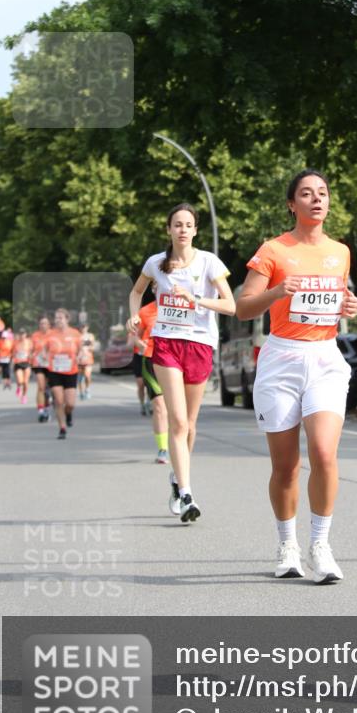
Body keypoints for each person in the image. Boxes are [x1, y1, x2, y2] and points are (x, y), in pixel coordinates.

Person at [236, 170, 357, 584]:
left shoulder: (340, 252)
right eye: (306, 194)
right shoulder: (273, 250)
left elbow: (337, 298)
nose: (316, 199)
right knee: (286, 465)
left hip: (324, 358)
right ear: (292, 204)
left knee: (324, 454)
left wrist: (349, 306)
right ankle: (287, 544)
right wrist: (277, 292)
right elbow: (243, 307)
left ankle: (321, 545)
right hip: (282, 359)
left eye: (322, 193)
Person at [127, 203, 235, 522]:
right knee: (177, 421)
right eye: (177, 224)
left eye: (188, 224)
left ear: (195, 230)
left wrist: (196, 300)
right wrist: (134, 314)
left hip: (200, 343)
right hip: (166, 343)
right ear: (168, 230)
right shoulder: (156, 264)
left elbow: (230, 305)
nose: (183, 229)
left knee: (190, 424)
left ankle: (176, 477)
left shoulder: (209, 262)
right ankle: (187, 495)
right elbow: (136, 292)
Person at [137, 288, 169, 465]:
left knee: (176, 409)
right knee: (159, 406)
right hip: (151, 358)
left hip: (175, 360)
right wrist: (138, 342)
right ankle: (163, 449)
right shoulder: (145, 311)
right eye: (157, 285)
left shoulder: (183, 306)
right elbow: (134, 336)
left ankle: (179, 444)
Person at [45, 308, 82, 440]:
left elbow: (81, 350)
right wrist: (45, 358)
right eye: (56, 318)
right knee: (59, 401)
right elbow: (45, 350)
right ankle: (62, 428)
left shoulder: (75, 334)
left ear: (67, 319)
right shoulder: (50, 334)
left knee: (70, 403)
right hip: (55, 371)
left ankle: (69, 414)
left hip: (71, 371)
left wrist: (80, 357)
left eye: (60, 317)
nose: (58, 320)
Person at [30, 315, 52, 422]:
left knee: (48, 389)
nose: (43, 325)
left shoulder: (53, 335)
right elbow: (30, 349)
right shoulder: (35, 336)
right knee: (41, 387)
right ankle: (41, 411)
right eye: (41, 323)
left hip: (51, 365)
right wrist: (31, 355)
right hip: (38, 364)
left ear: (49, 325)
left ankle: (47, 408)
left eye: (45, 323)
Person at [12, 329, 32, 403]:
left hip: (27, 363)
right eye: (20, 334)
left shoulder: (29, 342)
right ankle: (18, 386)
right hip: (18, 363)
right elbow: (13, 353)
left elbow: (32, 351)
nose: (22, 335)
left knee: (26, 382)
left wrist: (31, 355)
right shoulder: (16, 343)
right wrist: (13, 360)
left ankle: (24, 396)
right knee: (20, 381)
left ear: (26, 334)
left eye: (23, 334)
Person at [77, 323, 96, 400]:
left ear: (87, 327)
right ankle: (81, 392)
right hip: (79, 360)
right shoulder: (77, 336)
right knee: (80, 378)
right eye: (81, 327)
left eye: (84, 327)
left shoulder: (90, 336)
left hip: (88, 359)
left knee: (87, 376)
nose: (83, 328)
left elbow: (93, 346)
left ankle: (87, 390)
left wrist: (90, 348)